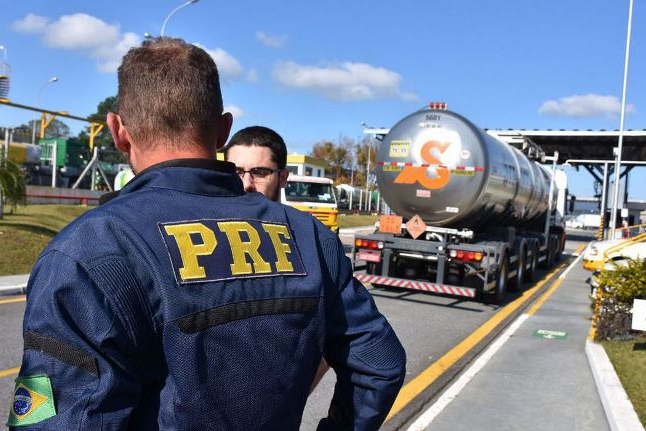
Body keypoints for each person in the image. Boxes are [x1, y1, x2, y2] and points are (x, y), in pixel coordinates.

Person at [8, 37, 405, 431]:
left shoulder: (90, 250)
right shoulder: (307, 236)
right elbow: (380, 364)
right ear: (222, 132)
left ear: (118, 131)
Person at [224, 126, 330, 391]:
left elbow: (341, 338)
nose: (246, 183)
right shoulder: (199, 236)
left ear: (283, 177)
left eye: (259, 172)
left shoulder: (309, 240)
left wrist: (293, 397)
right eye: (235, 171)